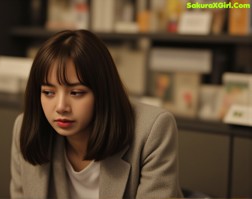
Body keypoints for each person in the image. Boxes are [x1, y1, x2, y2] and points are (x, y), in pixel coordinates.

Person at [10, 29, 183, 199]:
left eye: (76, 93)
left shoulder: (151, 130)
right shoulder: (26, 129)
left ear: (102, 92)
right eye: (48, 92)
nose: (61, 107)